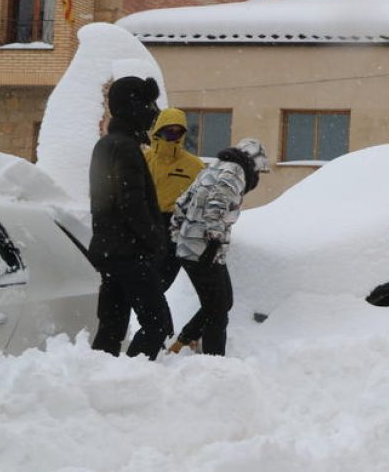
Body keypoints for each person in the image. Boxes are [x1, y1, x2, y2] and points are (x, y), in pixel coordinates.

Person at [88, 76, 173, 360]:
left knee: (112, 326)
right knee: (157, 324)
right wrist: (155, 240)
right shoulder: (124, 147)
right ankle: (133, 375)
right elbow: (131, 204)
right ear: (133, 107)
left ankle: (102, 376)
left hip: (112, 251)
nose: (153, 112)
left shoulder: (108, 144)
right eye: (149, 104)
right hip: (129, 253)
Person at [168, 138, 270, 356]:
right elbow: (218, 203)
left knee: (223, 302)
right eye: (259, 171)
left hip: (192, 248)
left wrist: (178, 236)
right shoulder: (236, 171)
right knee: (217, 313)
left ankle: (186, 339)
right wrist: (212, 241)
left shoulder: (214, 168)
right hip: (204, 250)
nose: (257, 176)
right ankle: (214, 362)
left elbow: (182, 202)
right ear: (252, 162)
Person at [143, 108, 204, 291]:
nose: (174, 135)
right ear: (159, 130)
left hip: (175, 228)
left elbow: (202, 198)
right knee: (142, 284)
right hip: (146, 224)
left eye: (179, 131)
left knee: (161, 284)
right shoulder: (144, 159)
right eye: (169, 130)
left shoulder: (194, 165)